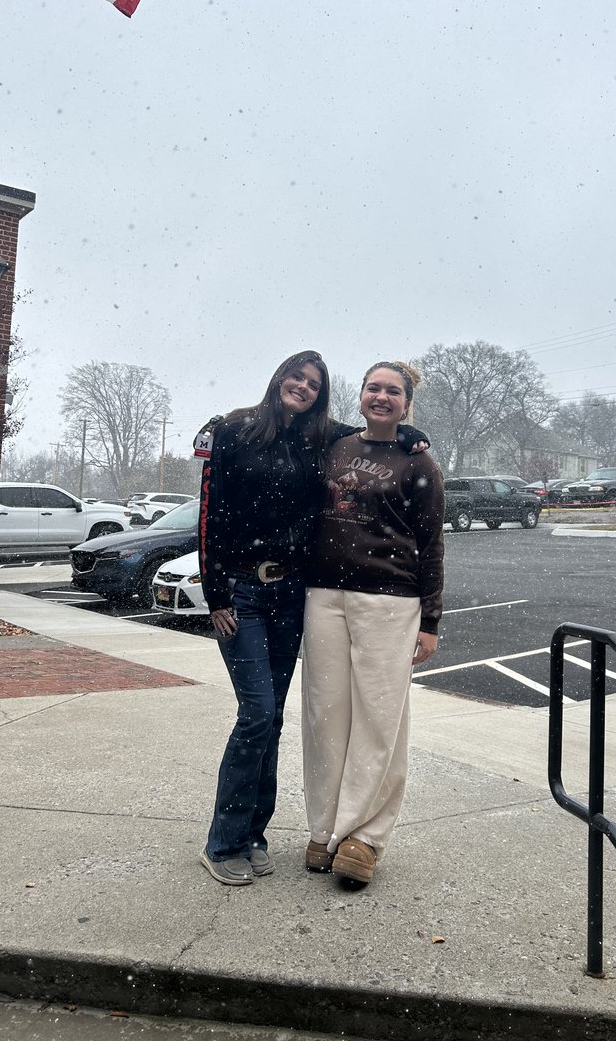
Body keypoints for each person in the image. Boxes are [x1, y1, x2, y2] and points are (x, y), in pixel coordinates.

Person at [198, 351, 428, 887]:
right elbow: (209, 514)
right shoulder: (233, 430)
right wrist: (216, 598)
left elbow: (374, 426)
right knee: (256, 713)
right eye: (295, 377)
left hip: (290, 595)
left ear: (321, 395)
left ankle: (255, 833)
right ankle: (222, 841)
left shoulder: (319, 438)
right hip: (241, 594)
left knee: (273, 716)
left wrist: (409, 431)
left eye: (313, 383)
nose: (301, 387)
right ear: (278, 377)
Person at [301, 361, 445, 887]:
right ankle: (324, 827)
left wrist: (430, 620)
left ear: (407, 403)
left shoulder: (419, 464)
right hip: (323, 597)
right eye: (373, 388)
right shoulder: (333, 447)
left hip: (391, 601)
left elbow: (432, 547)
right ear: (360, 394)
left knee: (379, 721)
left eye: (393, 391)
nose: (381, 397)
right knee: (325, 715)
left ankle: (365, 835)